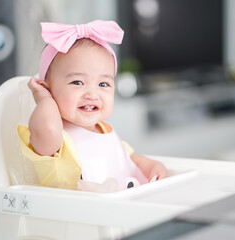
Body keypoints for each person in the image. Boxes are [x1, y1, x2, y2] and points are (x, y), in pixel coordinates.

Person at [17, 20, 168, 192]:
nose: (92, 94)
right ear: (47, 88)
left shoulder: (105, 130)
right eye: (78, 82)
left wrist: (154, 167)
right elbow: (48, 129)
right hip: (76, 216)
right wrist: (44, 98)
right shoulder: (56, 141)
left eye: (103, 84)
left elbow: (129, 160)